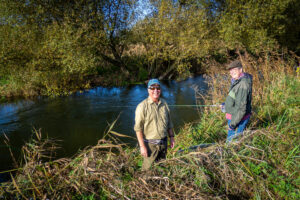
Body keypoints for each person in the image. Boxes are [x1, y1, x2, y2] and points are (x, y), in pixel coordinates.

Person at [134, 79, 175, 170]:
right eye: (152, 88)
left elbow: (169, 123)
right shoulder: (142, 107)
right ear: (148, 90)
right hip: (150, 146)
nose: (155, 90)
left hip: (163, 144)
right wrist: (142, 146)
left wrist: (171, 137)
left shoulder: (164, 103)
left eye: (158, 88)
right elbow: (138, 129)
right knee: (147, 171)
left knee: (162, 169)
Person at [221, 60, 252, 142]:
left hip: (237, 118)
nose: (231, 72)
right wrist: (226, 105)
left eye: (234, 70)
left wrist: (232, 125)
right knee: (234, 140)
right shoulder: (237, 81)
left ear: (240, 70)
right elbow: (235, 98)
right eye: (230, 70)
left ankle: (231, 153)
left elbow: (241, 108)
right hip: (234, 116)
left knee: (232, 142)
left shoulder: (242, 84)